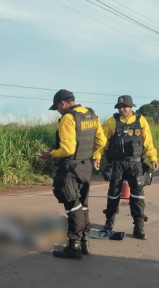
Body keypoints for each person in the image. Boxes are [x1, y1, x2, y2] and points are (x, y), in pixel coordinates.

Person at [40, 89, 107, 259]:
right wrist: (95, 155)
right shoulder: (91, 114)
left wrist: (51, 154)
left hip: (71, 167)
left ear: (62, 103)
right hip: (86, 165)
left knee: (72, 205)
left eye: (57, 108)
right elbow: (102, 140)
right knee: (83, 204)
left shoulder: (68, 119)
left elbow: (67, 149)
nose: (58, 111)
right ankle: (85, 241)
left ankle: (73, 246)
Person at [95, 95, 159, 240]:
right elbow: (101, 142)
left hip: (136, 164)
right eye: (119, 107)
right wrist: (97, 156)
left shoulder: (141, 121)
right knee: (113, 194)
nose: (122, 109)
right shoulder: (112, 122)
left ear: (131, 107)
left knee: (137, 196)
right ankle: (109, 223)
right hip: (117, 164)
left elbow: (147, 141)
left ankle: (139, 227)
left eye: (125, 106)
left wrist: (153, 157)